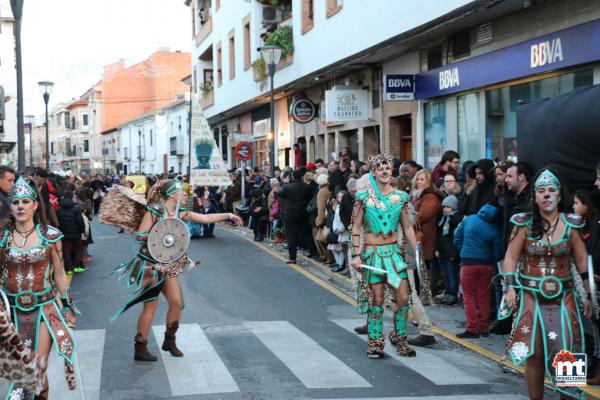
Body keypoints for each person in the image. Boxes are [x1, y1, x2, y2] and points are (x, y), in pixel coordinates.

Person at [107, 179, 243, 361]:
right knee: (150, 305)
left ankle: (169, 340)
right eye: (182, 191)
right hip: (149, 264)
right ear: (172, 193)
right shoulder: (154, 211)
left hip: (167, 264)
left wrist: (228, 215)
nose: (186, 193)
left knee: (177, 302)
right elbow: (140, 235)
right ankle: (140, 347)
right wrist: (160, 233)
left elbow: (205, 218)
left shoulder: (180, 212)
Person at [501, 169, 592, 399]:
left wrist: (589, 295)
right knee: (535, 353)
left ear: (560, 196)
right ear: (535, 196)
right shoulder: (523, 223)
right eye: (541, 191)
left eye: (552, 191)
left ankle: (568, 396)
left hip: (565, 297)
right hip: (531, 296)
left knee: (569, 349)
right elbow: (510, 257)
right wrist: (510, 287)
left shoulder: (572, 224)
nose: (547, 195)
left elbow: (582, 261)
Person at [1, 177, 78, 398]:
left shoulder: (51, 236)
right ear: (11, 206)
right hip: (12, 314)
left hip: (44, 310)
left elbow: (60, 273)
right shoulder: (2, 238)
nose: (20, 206)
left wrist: (67, 305)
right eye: (16, 202)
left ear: (35, 206)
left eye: (26, 201)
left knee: (34, 371)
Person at [350, 154, 417, 358]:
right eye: (381, 169)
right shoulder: (363, 198)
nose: (386, 171)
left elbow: (407, 227)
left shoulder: (400, 197)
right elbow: (356, 226)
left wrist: (418, 256)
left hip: (394, 257)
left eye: (388, 168)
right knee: (376, 300)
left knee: (404, 298)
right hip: (372, 256)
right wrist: (357, 255)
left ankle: (399, 338)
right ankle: (375, 342)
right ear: (374, 172)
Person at [453, 203, 502, 338]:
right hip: (486, 265)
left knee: (469, 297)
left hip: (468, 262)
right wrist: (490, 258)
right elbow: (497, 253)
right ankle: (484, 328)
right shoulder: (494, 228)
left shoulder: (469, 219)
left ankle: (472, 329)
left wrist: (462, 248)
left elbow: (457, 236)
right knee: (484, 297)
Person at [411, 169, 443, 304]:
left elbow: (423, 215)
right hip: (418, 236)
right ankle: (420, 294)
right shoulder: (417, 195)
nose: (419, 182)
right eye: (417, 179)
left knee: (423, 267)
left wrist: (406, 215)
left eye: (422, 179)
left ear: (429, 181)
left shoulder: (431, 196)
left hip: (426, 237)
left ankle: (425, 295)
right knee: (418, 267)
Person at [278, 170, 318, 263]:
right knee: (307, 234)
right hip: (303, 213)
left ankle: (292, 257)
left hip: (290, 214)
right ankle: (314, 252)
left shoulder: (287, 187)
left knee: (291, 235)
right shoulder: (306, 187)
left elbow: (279, 194)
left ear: (292, 176)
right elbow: (310, 197)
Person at [434, 195, 462, 306]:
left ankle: (452, 295)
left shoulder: (455, 219)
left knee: (452, 275)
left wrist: (454, 254)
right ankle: (447, 292)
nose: (445, 209)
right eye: (444, 206)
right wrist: (436, 248)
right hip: (442, 252)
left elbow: (455, 239)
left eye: (448, 207)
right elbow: (439, 236)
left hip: (451, 253)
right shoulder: (443, 219)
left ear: (454, 208)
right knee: (445, 274)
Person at [57, 191, 86, 275]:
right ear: (71, 197)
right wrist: (82, 230)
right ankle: (76, 267)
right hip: (76, 233)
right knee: (78, 249)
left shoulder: (59, 208)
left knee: (66, 251)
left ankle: (68, 269)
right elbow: (80, 221)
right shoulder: (76, 208)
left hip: (64, 233)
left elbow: (57, 221)